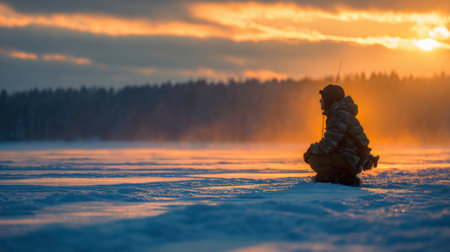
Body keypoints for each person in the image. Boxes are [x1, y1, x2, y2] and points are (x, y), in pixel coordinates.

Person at [303, 84, 379, 187]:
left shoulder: (339, 115)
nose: (320, 101)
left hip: (351, 159)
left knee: (315, 159)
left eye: (323, 98)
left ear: (329, 99)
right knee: (320, 171)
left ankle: (347, 180)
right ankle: (335, 178)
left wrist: (310, 151)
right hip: (353, 158)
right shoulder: (341, 113)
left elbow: (328, 144)